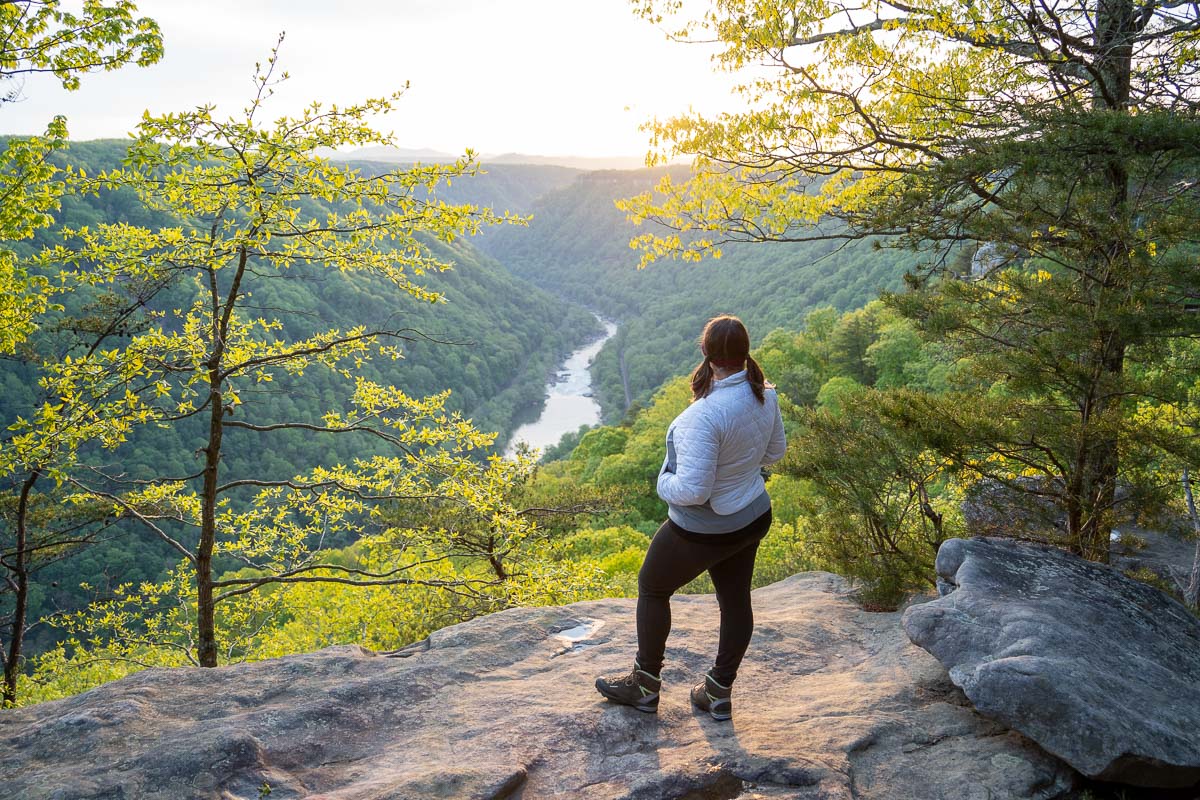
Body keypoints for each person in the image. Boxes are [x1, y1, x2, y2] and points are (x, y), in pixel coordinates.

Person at [595, 315, 787, 721]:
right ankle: (717, 692)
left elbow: (694, 492)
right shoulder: (764, 395)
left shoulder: (701, 416)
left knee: (651, 586)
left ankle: (645, 685)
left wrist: (662, 482)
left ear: (706, 352)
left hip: (707, 528)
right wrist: (738, 472)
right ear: (745, 351)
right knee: (735, 602)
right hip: (751, 515)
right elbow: (773, 454)